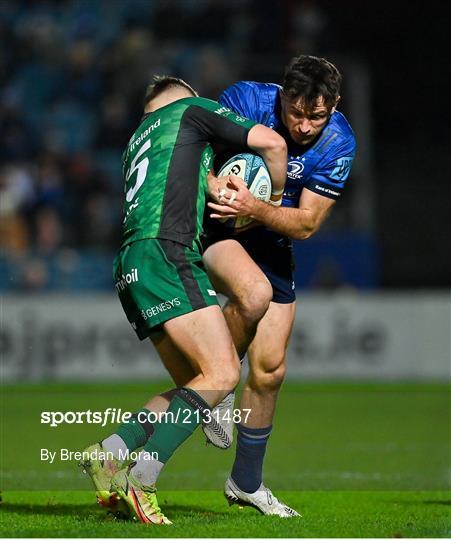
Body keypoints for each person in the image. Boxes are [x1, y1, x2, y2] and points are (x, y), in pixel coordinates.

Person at [79, 76, 288, 525]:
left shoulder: (136, 142)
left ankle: (111, 453)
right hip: (168, 252)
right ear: (186, 100)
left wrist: (215, 187)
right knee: (224, 372)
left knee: (198, 383)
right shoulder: (192, 111)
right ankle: (143, 478)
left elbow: (181, 186)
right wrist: (266, 203)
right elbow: (272, 143)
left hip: (130, 264)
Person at [202, 55, 356, 516]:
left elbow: (306, 224)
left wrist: (257, 207)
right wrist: (213, 185)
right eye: (296, 112)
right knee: (253, 296)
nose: (305, 126)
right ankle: (219, 382)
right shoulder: (246, 100)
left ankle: (245, 482)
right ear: (282, 96)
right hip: (214, 223)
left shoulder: (338, 141)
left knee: (270, 370)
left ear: (334, 106)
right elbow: (190, 153)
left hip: (270, 235)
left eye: (317, 115)